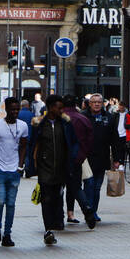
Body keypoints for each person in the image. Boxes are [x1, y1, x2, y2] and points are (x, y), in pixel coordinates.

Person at [29, 94, 81, 245]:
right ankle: (48, 229)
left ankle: (57, 221)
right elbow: (32, 144)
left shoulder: (65, 123)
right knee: (46, 198)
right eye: (59, 107)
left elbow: (74, 142)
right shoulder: (39, 124)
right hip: (45, 168)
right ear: (50, 107)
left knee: (57, 196)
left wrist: (72, 157)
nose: (61, 110)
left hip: (61, 167)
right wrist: (31, 166)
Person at [0, 98, 28, 246]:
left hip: (14, 170)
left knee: (10, 204)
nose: (15, 112)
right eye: (12, 109)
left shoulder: (23, 126)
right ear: (6, 109)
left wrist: (20, 165)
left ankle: (7, 234)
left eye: (17, 109)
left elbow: (24, 146)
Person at [82, 93, 121, 220]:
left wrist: (116, 159)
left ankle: (93, 211)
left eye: (99, 102)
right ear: (90, 104)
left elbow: (115, 139)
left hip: (102, 157)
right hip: (86, 158)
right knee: (89, 185)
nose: (97, 104)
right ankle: (88, 210)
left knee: (97, 187)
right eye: (94, 102)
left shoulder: (109, 118)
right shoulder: (83, 117)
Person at [62, 95, 96, 226]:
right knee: (75, 186)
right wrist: (82, 155)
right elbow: (90, 141)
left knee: (59, 187)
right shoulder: (83, 119)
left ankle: (62, 215)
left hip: (60, 160)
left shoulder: (60, 119)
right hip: (77, 159)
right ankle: (85, 207)